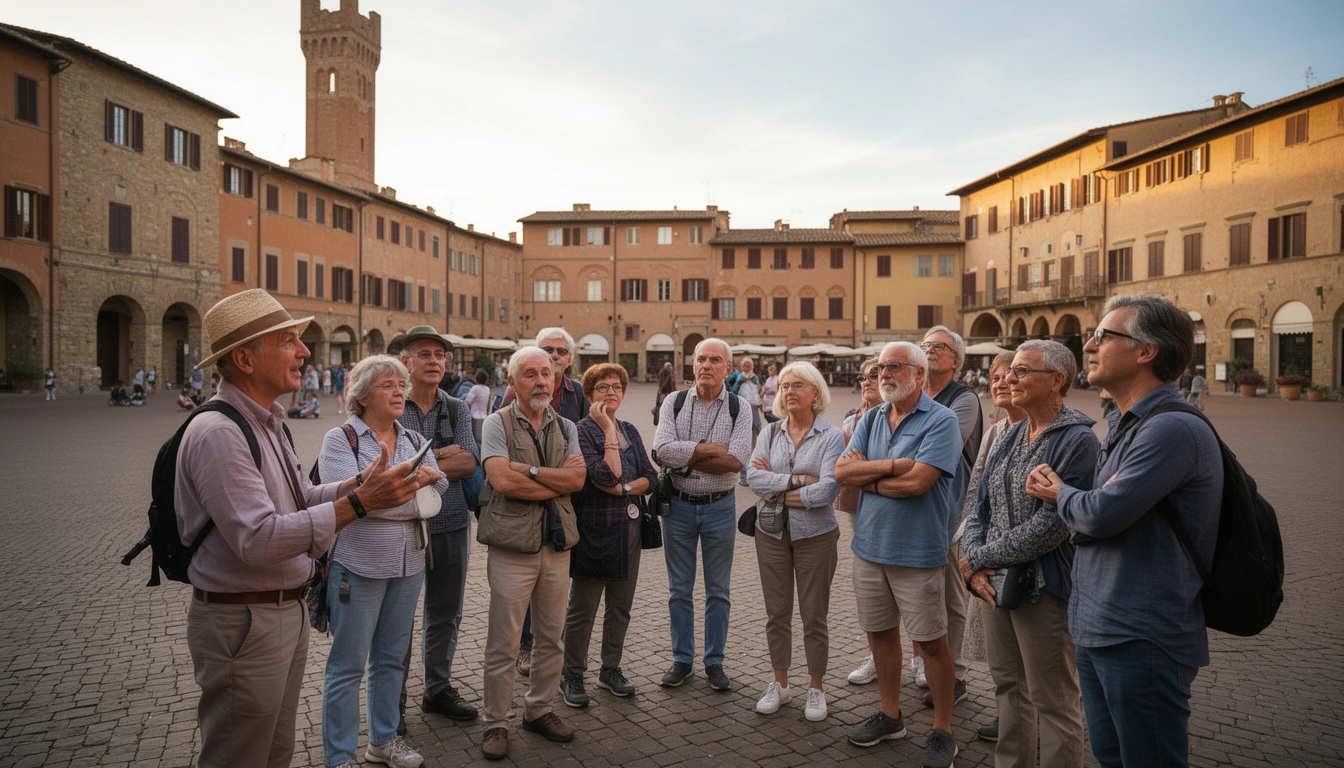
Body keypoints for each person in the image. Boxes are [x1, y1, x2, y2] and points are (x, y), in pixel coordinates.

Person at [176, 288, 432, 768]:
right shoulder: (219, 432)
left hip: (277, 613)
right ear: (245, 358)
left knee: (274, 752)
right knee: (239, 754)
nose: (305, 350)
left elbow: (303, 499)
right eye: (289, 340)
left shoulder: (269, 424)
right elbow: (258, 538)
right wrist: (359, 502)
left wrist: (360, 482)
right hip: (244, 622)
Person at [1024, 295, 1222, 768]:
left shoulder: (1171, 429)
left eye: (1103, 336)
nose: (1088, 346)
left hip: (1142, 635)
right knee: (1113, 757)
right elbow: (1098, 508)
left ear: (1145, 350)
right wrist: (1087, 501)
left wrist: (1060, 494)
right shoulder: (1127, 425)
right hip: (1099, 625)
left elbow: (1100, 515)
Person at [960, 341, 1096, 768]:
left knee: (1053, 700)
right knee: (1008, 688)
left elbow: (1050, 529)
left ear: (1057, 380)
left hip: (1044, 588)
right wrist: (973, 560)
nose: (1007, 378)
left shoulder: (1078, 440)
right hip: (994, 583)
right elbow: (978, 504)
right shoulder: (1011, 431)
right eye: (1010, 370)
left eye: (1021, 372)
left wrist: (980, 559)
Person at [834, 341, 963, 768]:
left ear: (920, 374)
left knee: (930, 643)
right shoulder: (871, 417)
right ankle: (891, 716)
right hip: (868, 548)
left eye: (895, 366)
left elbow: (919, 484)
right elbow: (841, 472)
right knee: (881, 635)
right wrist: (892, 466)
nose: (884, 373)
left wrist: (867, 473)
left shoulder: (942, 420)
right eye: (880, 367)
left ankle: (943, 730)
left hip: (918, 551)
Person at [318, 355, 447, 768]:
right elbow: (356, 503)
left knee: (391, 660)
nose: (399, 391)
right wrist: (413, 489)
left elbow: (440, 486)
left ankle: (383, 742)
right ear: (363, 394)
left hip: (409, 564)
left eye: (401, 384)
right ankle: (339, 758)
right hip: (358, 566)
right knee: (348, 666)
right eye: (388, 384)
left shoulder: (410, 437)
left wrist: (405, 489)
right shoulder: (341, 440)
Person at [477, 346, 587, 760]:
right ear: (512, 382)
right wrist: (554, 482)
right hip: (513, 547)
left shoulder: (567, 426)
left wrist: (532, 472)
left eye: (548, 372)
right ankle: (496, 722)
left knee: (550, 639)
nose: (542, 380)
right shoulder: (497, 423)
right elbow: (502, 481)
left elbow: (578, 480)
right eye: (530, 374)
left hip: (556, 546)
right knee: (504, 642)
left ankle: (539, 709)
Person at [652, 337, 754, 691]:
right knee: (679, 589)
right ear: (692, 365)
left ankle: (714, 662)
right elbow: (661, 449)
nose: (706, 366)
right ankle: (682, 659)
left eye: (714, 360)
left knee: (718, 591)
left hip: (720, 508)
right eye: (700, 359)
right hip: (677, 507)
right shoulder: (674, 402)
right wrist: (707, 451)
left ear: (728, 368)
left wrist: (687, 456)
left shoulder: (740, 408)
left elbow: (736, 460)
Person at [746, 362, 844, 721]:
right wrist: (798, 480)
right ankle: (780, 683)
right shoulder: (770, 433)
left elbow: (828, 489)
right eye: (785, 385)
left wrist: (778, 485)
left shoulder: (831, 436)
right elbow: (752, 478)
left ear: (815, 392)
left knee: (814, 615)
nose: (789, 391)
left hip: (816, 535)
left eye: (798, 385)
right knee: (777, 613)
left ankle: (816, 687)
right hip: (770, 533)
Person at [396, 327, 481, 727]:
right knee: (396, 617)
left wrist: (416, 466)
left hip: (450, 523)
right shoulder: (391, 403)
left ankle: (437, 689)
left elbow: (469, 463)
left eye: (439, 355)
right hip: (400, 527)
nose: (434, 361)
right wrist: (439, 462)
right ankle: (391, 699)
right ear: (406, 362)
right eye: (424, 354)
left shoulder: (456, 407)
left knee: (446, 613)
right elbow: (384, 472)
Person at [559, 363, 657, 708]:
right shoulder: (580, 430)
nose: (611, 392)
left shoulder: (630, 428)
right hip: (593, 529)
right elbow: (600, 474)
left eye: (616, 387)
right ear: (588, 395)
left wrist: (625, 488)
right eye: (602, 388)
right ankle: (571, 674)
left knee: (621, 606)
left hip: (628, 529)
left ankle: (610, 669)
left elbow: (650, 476)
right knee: (583, 608)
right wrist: (608, 434)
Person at [500, 328, 590, 675]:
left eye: (561, 351)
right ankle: (525, 646)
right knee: (524, 581)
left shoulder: (577, 393)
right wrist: (558, 477)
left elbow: (580, 452)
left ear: (569, 358)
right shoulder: (511, 393)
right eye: (547, 349)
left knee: (555, 583)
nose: (554, 356)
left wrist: (542, 473)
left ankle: (550, 645)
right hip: (524, 508)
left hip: (566, 505)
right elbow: (502, 454)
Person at [954, 352, 1025, 744]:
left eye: (1010, 375)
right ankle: (1011, 716)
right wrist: (971, 543)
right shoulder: (995, 431)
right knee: (1003, 655)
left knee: (1027, 654)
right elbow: (975, 491)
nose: (999, 382)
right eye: (995, 376)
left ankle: (1021, 722)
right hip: (987, 554)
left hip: (1015, 559)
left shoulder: (1043, 431)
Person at [914, 325, 983, 705]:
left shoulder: (964, 399)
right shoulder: (915, 393)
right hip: (918, 509)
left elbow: (940, 445)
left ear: (955, 360)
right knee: (922, 592)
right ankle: (930, 667)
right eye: (925, 345)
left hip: (952, 513)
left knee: (953, 597)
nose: (929, 350)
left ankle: (955, 675)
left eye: (938, 346)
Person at [842, 357, 884, 685]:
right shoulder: (849, 421)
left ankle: (917, 657)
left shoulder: (900, 418)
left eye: (874, 375)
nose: (866, 381)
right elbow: (845, 468)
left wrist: (865, 467)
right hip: (860, 505)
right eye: (862, 376)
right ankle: (876, 655)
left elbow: (886, 463)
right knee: (870, 587)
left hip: (897, 507)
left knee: (903, 585)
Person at [736, 356, 763, 484]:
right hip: (743, 408)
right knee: (744, 440)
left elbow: (758, 390)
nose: (747, 367)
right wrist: (739, 382)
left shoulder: (755, 377)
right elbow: (734, 391)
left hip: (754, 407)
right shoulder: (738, 377)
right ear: (742, 366)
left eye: (749, 365)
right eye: (745, 365)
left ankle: (756, 472)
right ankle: (744, 476)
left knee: (758, 438)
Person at [466, 369, 492, 444]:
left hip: (474, 415)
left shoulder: (475, 388)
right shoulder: (488, 389)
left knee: (474, 439)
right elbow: (488, 404)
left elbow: (468, 401)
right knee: (482, 439)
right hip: (484, 416)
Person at [655, 360, 676, 426]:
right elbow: (671, 381)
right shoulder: (667, 372)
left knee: (661, 403)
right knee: (665, 403)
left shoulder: (664, 371)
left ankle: (661, 415)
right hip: (667, 390)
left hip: (664, 390)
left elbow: (660, 380)